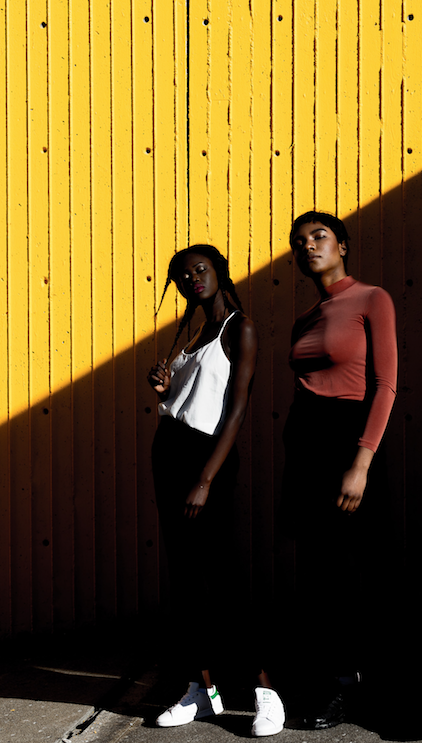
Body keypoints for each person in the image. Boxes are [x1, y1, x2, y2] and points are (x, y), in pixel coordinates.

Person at [281, 212, 422, 738]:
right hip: (307, 448)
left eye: (319, 237)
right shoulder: (306, 318)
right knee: (323, 576)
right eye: (300, 242)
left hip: (350, 442)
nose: (308, 246)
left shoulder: (372, 299)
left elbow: (385, 385)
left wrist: (361, 462)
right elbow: (305, 389)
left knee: (383, 571)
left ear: (343, 246)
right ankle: (341, 685)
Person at [147, 244, 285, 737]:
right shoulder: (188, 334)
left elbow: (235, 410)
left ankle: (263, 689)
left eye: (200, 270)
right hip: (169, 455)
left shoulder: (237, 328)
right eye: (183, 277)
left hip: (207, 462)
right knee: (185, 582)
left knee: (222, 579)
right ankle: (201, 691)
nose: (192, 280)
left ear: (219, 272)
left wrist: (205, 480)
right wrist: (164, 391)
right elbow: (185, 403)